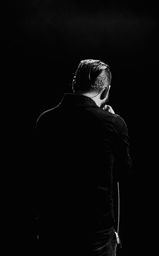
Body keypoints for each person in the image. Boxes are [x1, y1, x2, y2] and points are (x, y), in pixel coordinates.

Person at [34, 59, 132, 256]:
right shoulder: (113, 123)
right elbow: (124, 174)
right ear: (105, 91)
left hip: (53, 232)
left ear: (74, 84)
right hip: (97, 236)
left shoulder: (45, 120)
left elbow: (36, 175)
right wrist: (116, 123)